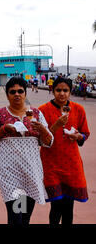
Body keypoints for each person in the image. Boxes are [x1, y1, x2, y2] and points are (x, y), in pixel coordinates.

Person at [0, 77, 53, 225]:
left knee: (25, 217)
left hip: (31, 171)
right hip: (9, 173)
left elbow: (49, 142)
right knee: (15, 216)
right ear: (7, 95)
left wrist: (42, 130)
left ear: (25, 93)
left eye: (20, 91)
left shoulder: (36, 113)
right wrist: (3, 130)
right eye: (12, 91)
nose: (17, 94)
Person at [38, 77, 90, 225]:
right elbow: (40, 139)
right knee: (56, 206)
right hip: (51, 164)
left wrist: (79, 136)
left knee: (69, 206)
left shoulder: (78, 109)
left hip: (71, 164)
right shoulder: (43, 110)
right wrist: (55, 126)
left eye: (65, 90)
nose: (62, 94)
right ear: (53, 91)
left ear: (70, 91)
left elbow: (85, 133)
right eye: (58, 90)